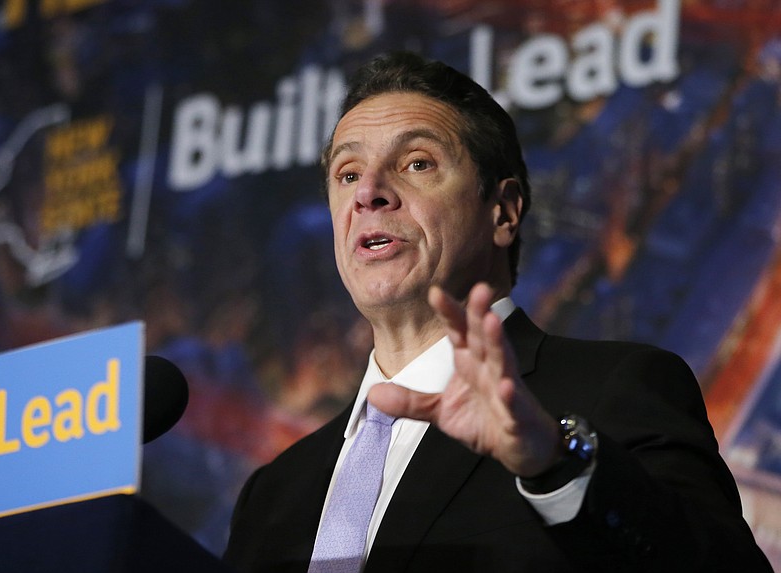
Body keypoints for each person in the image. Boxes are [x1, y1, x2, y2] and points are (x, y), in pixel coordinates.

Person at [223, 51, 772, 572]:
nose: (369, 192)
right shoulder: (274, 493)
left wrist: (556, 465)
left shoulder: (612, 391)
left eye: (416, 163)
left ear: (503, 213)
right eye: (347, 174)